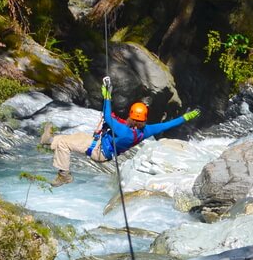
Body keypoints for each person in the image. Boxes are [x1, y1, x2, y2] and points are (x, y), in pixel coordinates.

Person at [40, 77, 201, 186]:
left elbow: (108, 117)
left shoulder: (123, 130)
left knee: (65, 143)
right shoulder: (146, 130)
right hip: (102, 147)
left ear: (131, 115)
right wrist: (185, 117)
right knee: (75, 137)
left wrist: (107, 96)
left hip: (99, 150)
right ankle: (50, 141)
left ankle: (64, 175)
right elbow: (167, 125)